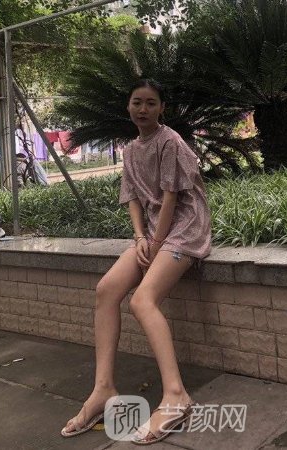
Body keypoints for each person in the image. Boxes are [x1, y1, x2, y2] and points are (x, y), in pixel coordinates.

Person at [61, 79, 212, 444]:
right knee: (106, 289)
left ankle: (177, 395)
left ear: (162, 108)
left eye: (151, 103)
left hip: (185, 229)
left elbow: (171, 198)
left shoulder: (170, 141)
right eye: (136, 102)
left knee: (142, 301)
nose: (143, 109)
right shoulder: (130, 149)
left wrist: (156, 243)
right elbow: (132, 196)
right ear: (128, 106)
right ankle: (103, 390)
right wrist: (140, 237)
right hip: (154, 232)